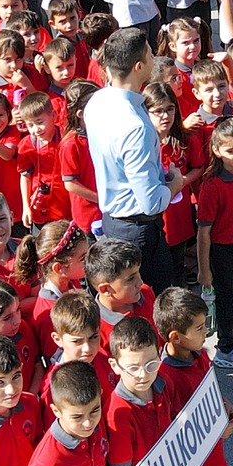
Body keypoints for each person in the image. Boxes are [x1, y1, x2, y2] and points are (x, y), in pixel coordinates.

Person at [86, 27, 180, 291]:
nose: (153, 58)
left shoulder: (97, 101)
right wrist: (175, 183)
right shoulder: (136, 125)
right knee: (149, 302)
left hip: (113, 221)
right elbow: (151, 202)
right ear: (139, 66)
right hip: (137, 229)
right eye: (150, 54)